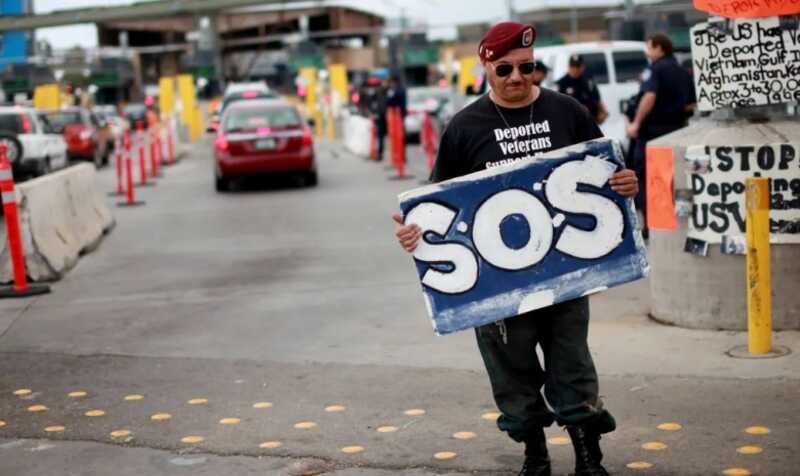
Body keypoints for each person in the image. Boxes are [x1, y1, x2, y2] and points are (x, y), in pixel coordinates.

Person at [392, 22, 639, 476]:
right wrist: (414, 232)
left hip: (566, 274)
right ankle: (534, 454)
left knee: (573, 364)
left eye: (527, 68)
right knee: (511, 372)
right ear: (486, 66)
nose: (516, 77)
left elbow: (607, 173)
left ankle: (589, 456)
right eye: (504, 68)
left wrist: (626, 183)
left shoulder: (567, 111)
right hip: (494, 285)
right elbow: (436, 204)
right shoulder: (464, 127)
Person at [626, 33, 695, 236]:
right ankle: (673, 223)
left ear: (659, 48)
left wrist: (636, 123)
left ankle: (653, 225)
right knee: (673, 179)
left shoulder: (654, 70)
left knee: (651, 180)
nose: (648, 52)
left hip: (652, 135)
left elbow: (649, 96)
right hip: (677, 132)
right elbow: (691, 103)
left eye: (649, 47)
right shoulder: (682, 71)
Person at [556, 54, 608, 124]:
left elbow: (597, 100)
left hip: (590, 120)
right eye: (573, 66)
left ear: (582, 67)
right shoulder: (562, 83)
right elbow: (558, 106)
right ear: (568, 67)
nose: (575, 69)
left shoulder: (589, 81)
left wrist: (603, 112)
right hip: (572, 122)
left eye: (577, 66)